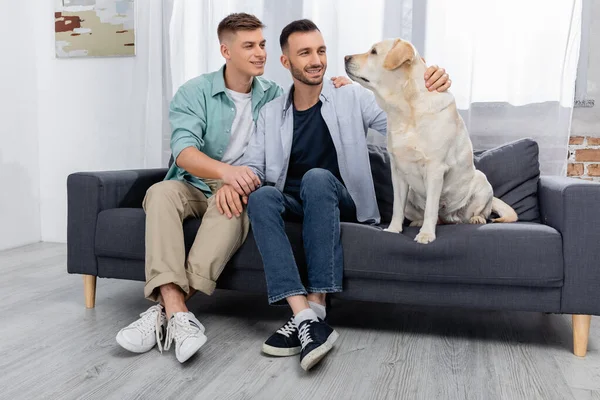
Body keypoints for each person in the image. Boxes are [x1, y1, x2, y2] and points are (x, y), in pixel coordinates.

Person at [115, 13, 350, 363]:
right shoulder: (195, 91)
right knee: (159, 193)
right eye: (249, 46)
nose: (260, 53)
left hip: (240, 189)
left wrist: (339, 86)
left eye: (263, 45)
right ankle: (178, 311)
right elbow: (183, 151)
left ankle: (165, 312)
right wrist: (226, 173)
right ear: (226, 50)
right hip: (195, 183)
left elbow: (310, 94)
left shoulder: (273, 96)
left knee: (232, 209)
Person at [239, 19, 451, 371]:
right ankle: (305, 316)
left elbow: (407, 121)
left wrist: (431, 85)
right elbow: (254, 166)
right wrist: (235, 179)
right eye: (304, 53)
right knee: (261, 198)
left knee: (317, 178)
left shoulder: (351, 95)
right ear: (285, 62)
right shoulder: (272, 111)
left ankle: (318, 304)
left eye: (321, 51)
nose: (316, 60)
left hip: (340, 201)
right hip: (294, 204)